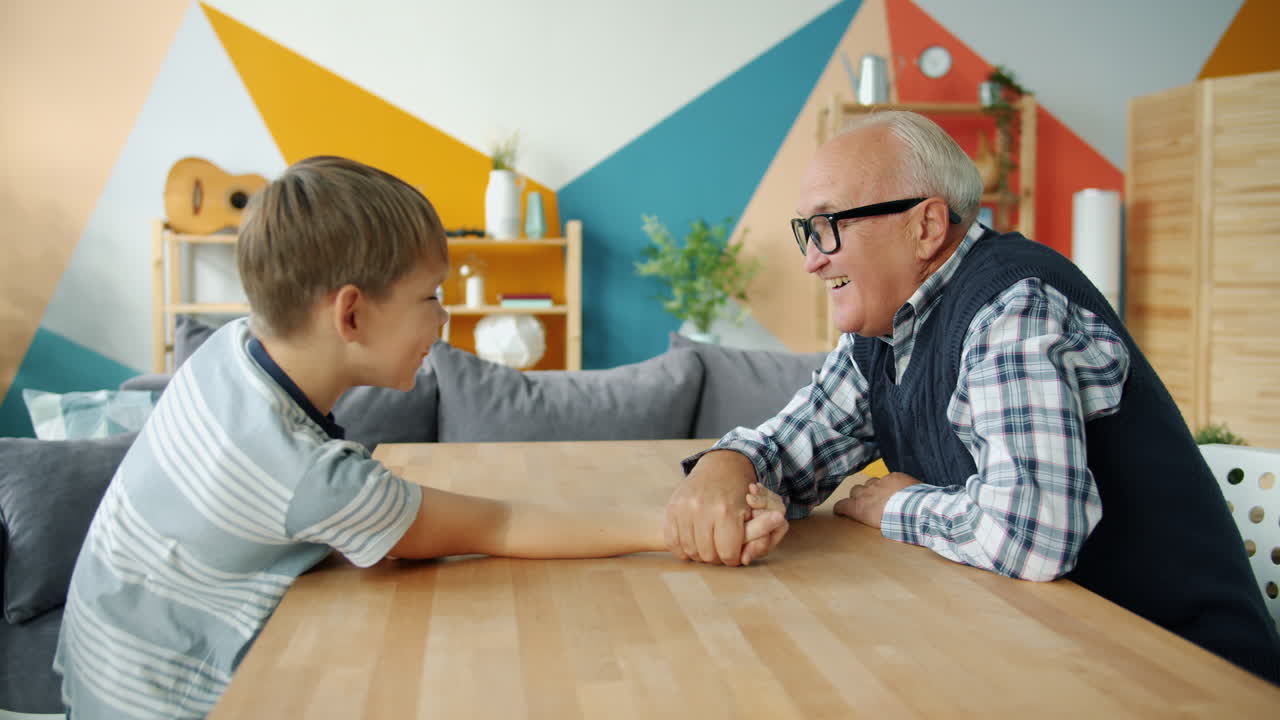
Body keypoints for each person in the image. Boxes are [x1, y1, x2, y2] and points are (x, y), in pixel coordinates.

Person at [54, 156, 788, 718]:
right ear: (350, 315)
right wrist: (674, 524)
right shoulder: (308, 478)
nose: (443, 321)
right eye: (429, 297)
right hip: (159, 702)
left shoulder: (226, 353)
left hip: (95, 672)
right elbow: (499, 522)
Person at [664, 111, 1280, 684]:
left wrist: (900, 507)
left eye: (831, 226)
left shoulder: (1012, 308)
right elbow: (794, 448)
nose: (812, 261)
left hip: (1187, 672)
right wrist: (728, 466)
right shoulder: (884, 330)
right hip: (1059, 654)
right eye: (808, 232)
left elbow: (1032, 535)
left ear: (926, 225)